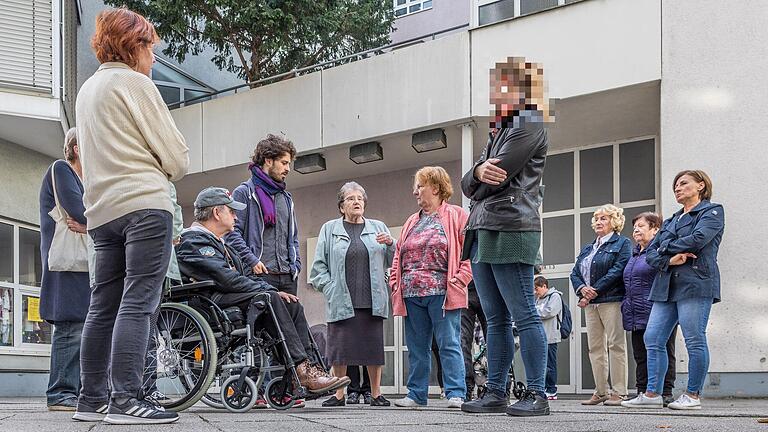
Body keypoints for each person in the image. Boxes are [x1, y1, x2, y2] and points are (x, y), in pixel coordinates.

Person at [73, 7, 189, 425]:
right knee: (139, 302)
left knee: (102, 305)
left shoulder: (87, 91)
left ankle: (90, 400)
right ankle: (126, 398)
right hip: (143, 204)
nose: (153, 57)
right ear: (133, 45)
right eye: (150, 47)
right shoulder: (135, 83)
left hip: (102, 212)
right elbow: (177, 159)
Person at [176, 187, 349, 395]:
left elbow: (245, 278)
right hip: (208, 302)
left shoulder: (222, 245)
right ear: (216, 213)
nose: (235, 216)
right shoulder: (192, 241)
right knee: (269, 298)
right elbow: (226, 278)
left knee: (290, 303)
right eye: (231, 211)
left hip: (226, 297)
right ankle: (302, 370)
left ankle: (310, 369)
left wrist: (272, 290)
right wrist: (269, 290)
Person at [460, 57, 552, 417]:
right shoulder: (498, 129)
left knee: (524, 313)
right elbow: (471, 182)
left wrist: (478, 175)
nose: (496, 92)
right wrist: (477, 174)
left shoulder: (529, 122)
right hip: (484, 228)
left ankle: (537, 394)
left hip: (512, 226)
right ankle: (496, 391)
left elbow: (492, 174)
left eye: (504, 85)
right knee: (496, 318)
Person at [625, 170, 724, 410]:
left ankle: (692, 395)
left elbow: (698, 239)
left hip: (695, 283)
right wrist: (669, 259)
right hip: (666, 285)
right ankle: (652, 394)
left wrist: (664, 248)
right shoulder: (671, 220)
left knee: (693, 338)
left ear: (700, 185)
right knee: (653, 337)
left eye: (683, 183)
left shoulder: (712, 211)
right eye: (675, 186)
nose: (677, 188)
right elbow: (651, 254)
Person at [389, 166, 471, 409]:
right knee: (416, 348)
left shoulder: (457, 215)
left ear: (435, 188)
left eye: (420, 186)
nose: (415, 191)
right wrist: (395, 282)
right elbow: (398, 255)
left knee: (449, 343)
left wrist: (461, 278)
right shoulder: (411, 221)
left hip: (443, 293)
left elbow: (471, 253)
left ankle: (456, 392)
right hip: (412, 294)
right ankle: (416, 394)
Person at [310, 181, 395, 407]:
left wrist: (391, 245)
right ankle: (339, 395)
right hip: (342, 300)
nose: (356, 201)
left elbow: (391, 262)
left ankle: (376, 394)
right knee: (340, 349)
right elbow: (318, 268)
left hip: (372, 299)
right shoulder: (329, 229)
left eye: (359, 198)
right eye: (350, 198)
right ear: (341, 206)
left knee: (373, 348)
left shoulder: (379, 227)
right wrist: (331, 289)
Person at [38, 128, 90, 411]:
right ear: (77, 148)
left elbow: (89, 217)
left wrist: (89, 225)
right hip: (66, 264)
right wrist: (92, 223)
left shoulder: (86, 180)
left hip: (79, 264)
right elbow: (78, 210)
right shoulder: (61, 169)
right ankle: (60, 393)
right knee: (70, 325)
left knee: (81, 324)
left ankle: (75, 391)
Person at [570, 204, 632, 406]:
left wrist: (594, 289)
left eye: (604, 218)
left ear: (614, 222)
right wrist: (582, 289)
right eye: (596, 218)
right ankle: (601, 391)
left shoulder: (622, 243)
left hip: (611, 299)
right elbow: (575, 273)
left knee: (616, 345)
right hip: (591, 302)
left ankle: (619, 392)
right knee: (595, 347)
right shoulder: (588, 248)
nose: (598, 222)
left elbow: (618, 270)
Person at [227, 134, 300, 296]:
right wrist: (252, 261)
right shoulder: (244, 192)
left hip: (288, 276)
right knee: (264, 322)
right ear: (268, 160)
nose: (288, 169)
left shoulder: (286, 198)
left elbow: (293, 237)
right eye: (284, 163)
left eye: (289, 164)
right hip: (260, 275)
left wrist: (296, 266)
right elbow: (231, 233)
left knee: (290, 321)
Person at [619, 212, 677, 408]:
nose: (636, 229)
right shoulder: (634, 254)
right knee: (640, 354)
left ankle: (666, 392)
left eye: (641, 226)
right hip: (635, 312)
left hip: (657, 310)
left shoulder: (660, 252)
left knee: (664, 351)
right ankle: (642, 391)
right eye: (635, 226)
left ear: (655, 229)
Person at [533, 276, 562, 401]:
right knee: (541, 365)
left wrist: (534, 313)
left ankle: (551, 390)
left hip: (550, 336)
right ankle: (543, 387)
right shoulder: (538, 300)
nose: (535, 292)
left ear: (544, 286)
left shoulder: (555, 296)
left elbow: (549, 312)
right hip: (540, 336)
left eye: (537, 288)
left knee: (550, 364)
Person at [460, 281, 487, 401]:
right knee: (462, 342)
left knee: (463, 342)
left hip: (471, 286)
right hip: (466, 288)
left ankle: (498, 386)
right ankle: (498, 387)